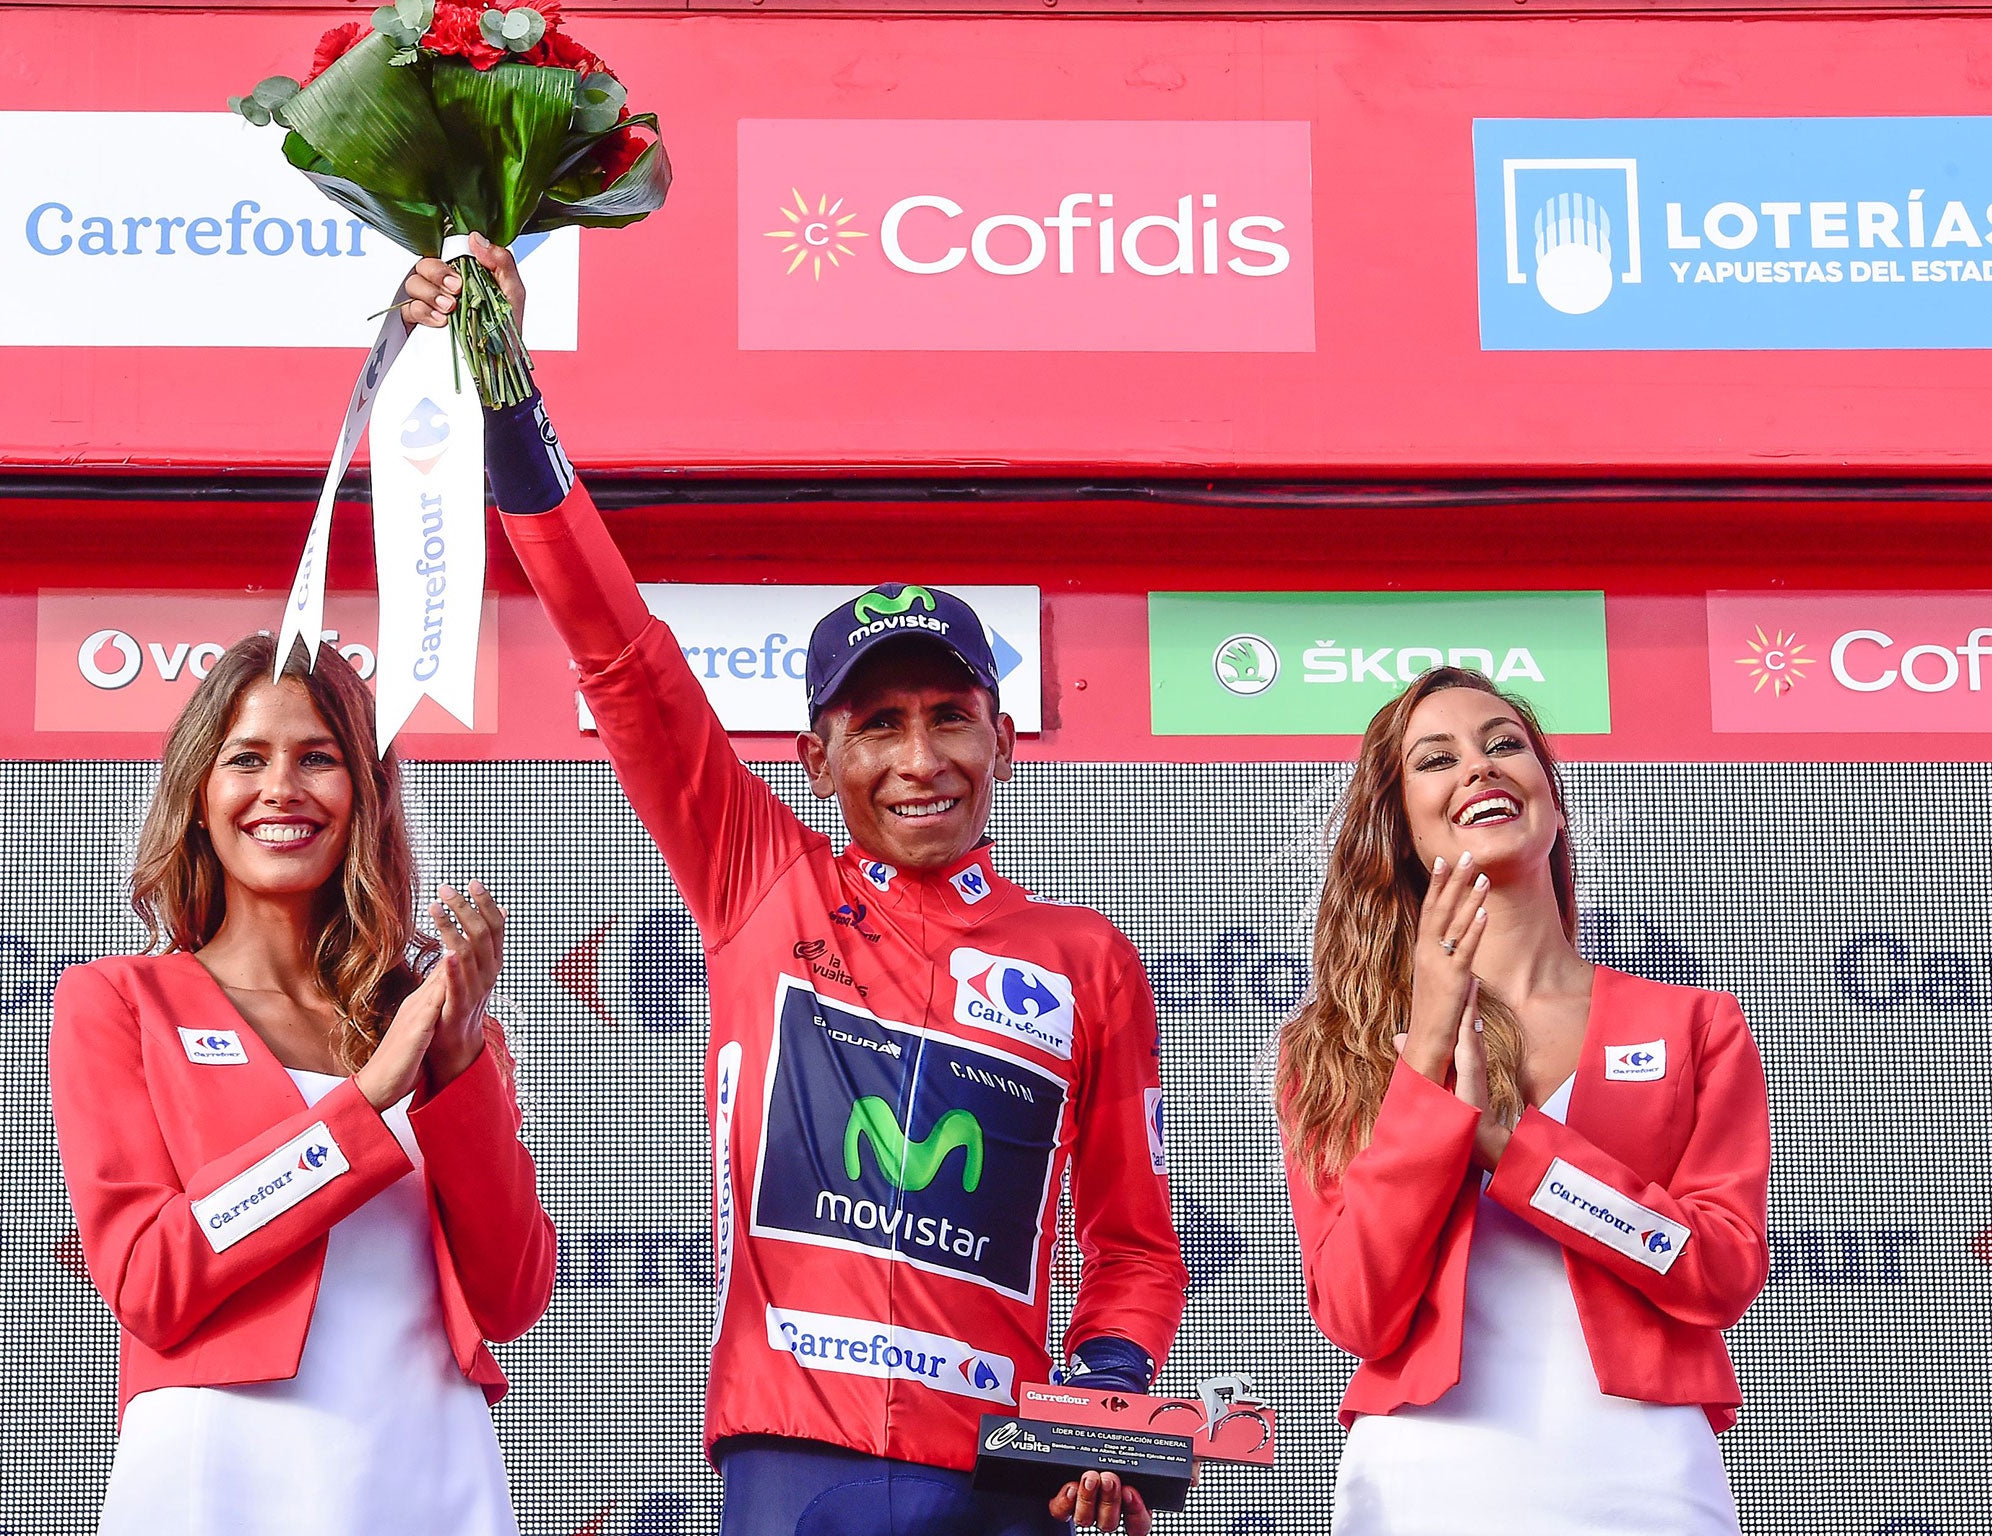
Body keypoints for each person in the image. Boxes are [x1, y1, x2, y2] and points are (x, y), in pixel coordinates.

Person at [403, 235, 1187, 1536]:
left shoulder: (1084, 958)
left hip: (1007, 1473)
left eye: (950, 716)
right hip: (793, 1462)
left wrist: (1100, 1403)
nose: (921, 758)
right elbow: (621, 653)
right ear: (817, 760)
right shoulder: (755, 876)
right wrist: (505, 396)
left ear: (1004, 739)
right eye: (878, 727)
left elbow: (1136, 1247)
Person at [49, 634, 555, 1535]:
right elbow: (150, 1277)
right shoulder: (120, 1001)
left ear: (362, 794)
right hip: (224, 1473)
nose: (282, 787)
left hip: (433, 1465)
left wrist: (460, 1063)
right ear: (199, 796)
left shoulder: (434, 1021)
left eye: (317, 757)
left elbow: (511, 1297)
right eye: (247, 758)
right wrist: (365, 1101)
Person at [1273, 666, 1769, 1535]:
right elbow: (1358, 1310)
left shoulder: (1694, 1024)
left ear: (1553, 794)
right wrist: (1425, 1054)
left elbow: (1718, 1273)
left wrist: (1517, 1151)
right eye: (1437, 759)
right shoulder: (1336, 1043)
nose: (1479, 767)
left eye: (1505, 744)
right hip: (1421, 1484)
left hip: (1651, 1481)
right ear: (1402, 826)